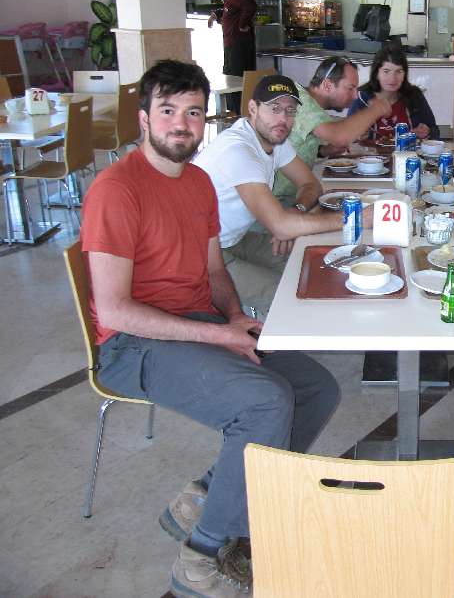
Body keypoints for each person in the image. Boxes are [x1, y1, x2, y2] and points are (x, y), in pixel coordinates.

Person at [80, 60, 340, 598]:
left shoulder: (197, 182)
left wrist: (234, 319)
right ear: (144, 118)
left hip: (197, 323)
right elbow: (115, 311)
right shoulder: (116, 189)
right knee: (266, 401)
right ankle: (202, 556)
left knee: (318, 387)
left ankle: (208, 494)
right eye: (168, 111)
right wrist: (219, 336)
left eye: (194, 112)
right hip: (134, 346)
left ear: (206, 119)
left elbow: (215, 271)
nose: (182, 124)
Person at [194, 74, 372, 319]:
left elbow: (310, 184)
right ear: (253, 109)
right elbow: (281, 226)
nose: (282, 119)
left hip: (236, 239)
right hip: (202, 256)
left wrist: (294, 211)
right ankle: (261, 332)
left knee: (312, 262)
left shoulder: (275, 140)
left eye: (290, 111)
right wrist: (357, 218)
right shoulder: (239, 150)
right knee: (289, 297)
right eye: (274, 108)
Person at [273, 56, 391, 200]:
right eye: (350, 88)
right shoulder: (301, 101)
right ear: (328, 85)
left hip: (292, 194)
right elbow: (340, 136)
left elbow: (294, 144)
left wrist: (324, 151)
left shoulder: (306, 100)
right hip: (276, 199)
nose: (355, 96)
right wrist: (377, 108)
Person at [347, 42, 439, 142]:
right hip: (371, 152)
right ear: (376, 73)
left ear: (404, 74)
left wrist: (428, 131)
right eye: (386, 71)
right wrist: (356, 136)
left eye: (398, 72)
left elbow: (435, 131)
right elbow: (346, 137)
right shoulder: (360, 98)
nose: (392, 78)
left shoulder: (414, 95)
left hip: (408, 152)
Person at [207, 0, 257, 113]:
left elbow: (250, 6)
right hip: (232, 41)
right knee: (231, 77)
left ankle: (238, 113)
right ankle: (234, 112)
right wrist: (216, 14)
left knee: (236, 79)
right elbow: (231, 10)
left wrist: (242, 25)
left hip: (238, 43)